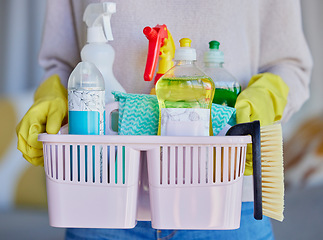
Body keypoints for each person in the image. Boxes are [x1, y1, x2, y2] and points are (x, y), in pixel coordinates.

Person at [16, 0, 312, 239]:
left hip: (226, 202)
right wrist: (51, 97)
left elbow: (289, 64)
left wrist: (268, 96)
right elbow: (61, 63)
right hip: (101, 198)